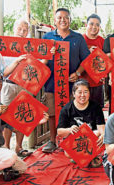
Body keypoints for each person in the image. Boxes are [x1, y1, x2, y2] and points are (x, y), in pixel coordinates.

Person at [41, 8, 91, 153]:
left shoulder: (78, 38)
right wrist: (47, 55)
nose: (63, 20)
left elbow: (87, 60)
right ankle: (52, 140)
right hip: (51, 82)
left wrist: (78, 73)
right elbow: (38, 60)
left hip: (72, 83)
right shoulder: (47, 37)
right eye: (59, 18)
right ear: (54, 20)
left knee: (73, 111)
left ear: (70, 20)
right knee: (52, 112)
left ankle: (70, 140)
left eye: (66, 17)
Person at [57, 79, 105, 167]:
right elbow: (59, 132)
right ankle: (83, 157)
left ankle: (91, 156)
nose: (82, 95)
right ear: (74, 93)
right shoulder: (66, 109)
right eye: (79, 92)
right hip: (76, 141)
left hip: (91, 138)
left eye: (86, 92)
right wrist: (69, 129)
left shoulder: (96, 107)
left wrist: (103, 135)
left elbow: (101, 127)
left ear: (89, 93)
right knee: (68, 154)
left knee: (99, 134)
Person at [0, 18, 30, 157]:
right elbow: (2, 69)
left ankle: (18, 147)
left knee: (22, 115)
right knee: (6, 116)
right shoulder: (5, 45)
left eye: (25, 30)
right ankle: (6, 146)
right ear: (14, 29)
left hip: (24, 86)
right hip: (9, 85)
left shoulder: (31, 46)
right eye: (19, 29)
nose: (22, 32)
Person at [82, 13, 106, 108]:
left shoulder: (102, 41)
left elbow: (106, 61)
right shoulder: (80, 39)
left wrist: (105, 74)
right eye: (91, 24)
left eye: (97, 25)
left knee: (98, 111)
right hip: (82, 83)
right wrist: (87, 52)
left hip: (98, 83)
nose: (94, 27)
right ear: (86, 25)